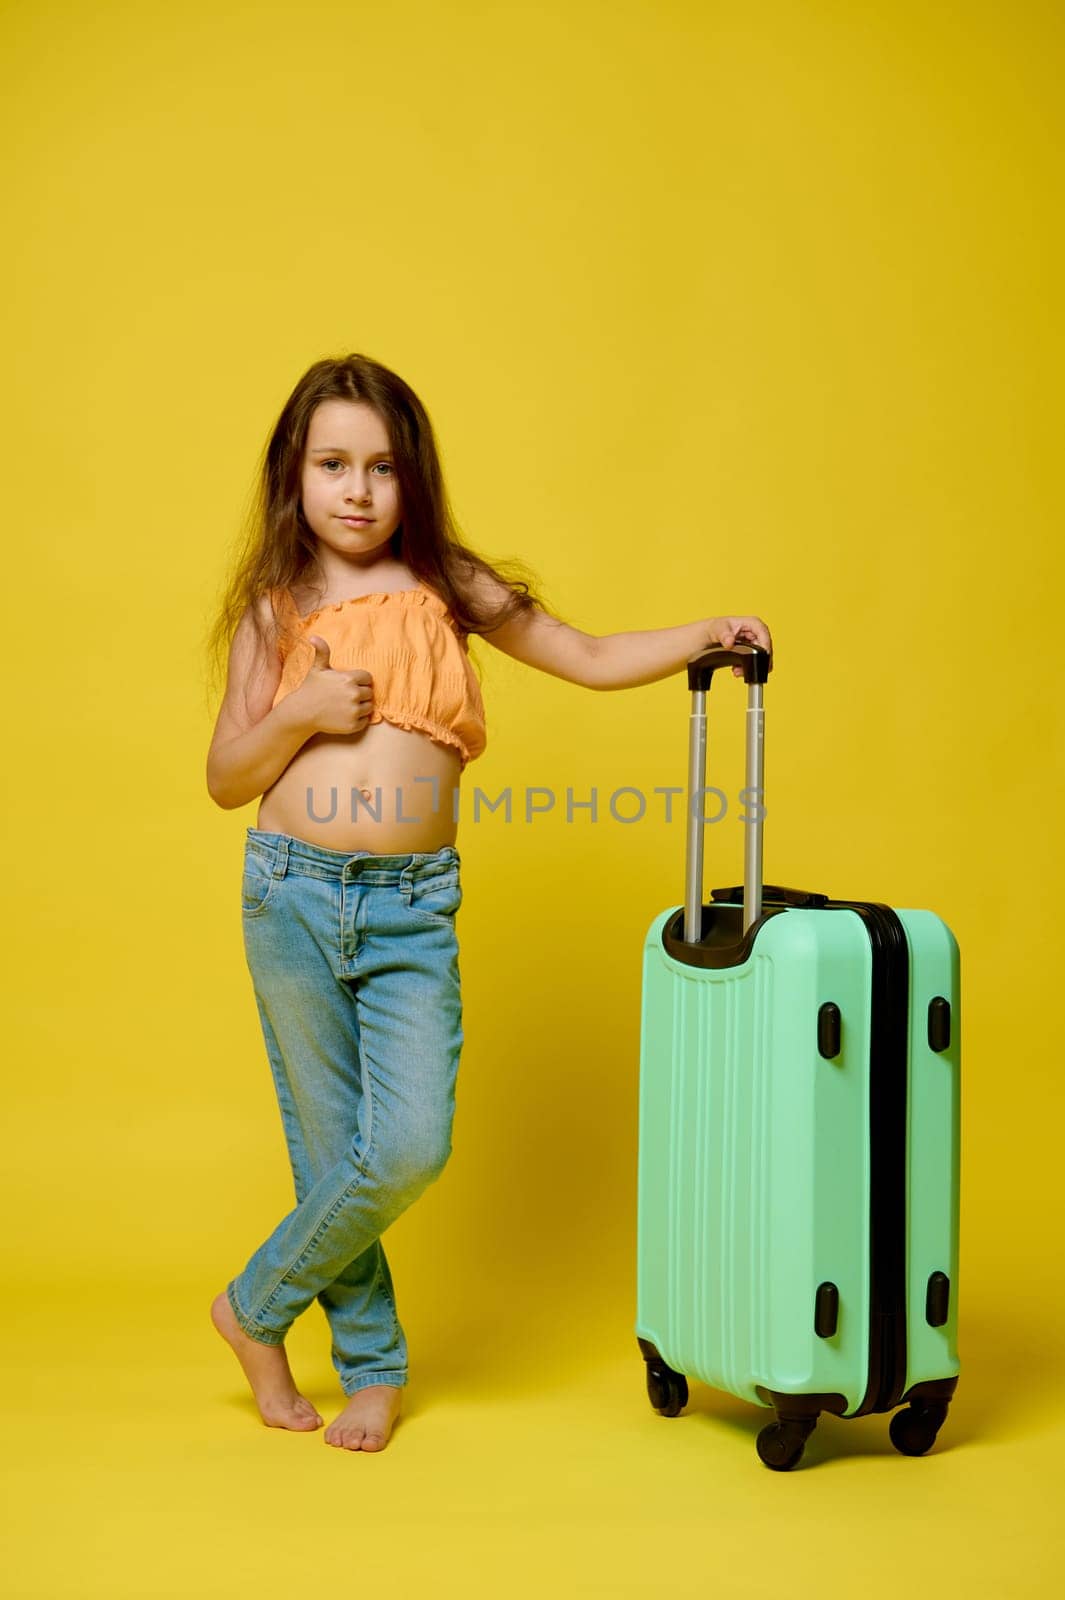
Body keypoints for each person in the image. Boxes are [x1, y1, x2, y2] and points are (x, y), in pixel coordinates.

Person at [204, 351, 773, 1455]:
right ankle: (371, 1369)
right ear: (296, 473)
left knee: (407, 1141)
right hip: (292, 896)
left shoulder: (445, 585)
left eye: (381, 467)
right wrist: (303, 710)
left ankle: (252, 1305)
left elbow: (590, 654)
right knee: (332, 1155)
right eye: (332, 464)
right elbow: (228, 775)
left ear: (412, 479)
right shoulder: (273, 610)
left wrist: (705, 636)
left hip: (411, 904)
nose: (358, 490)